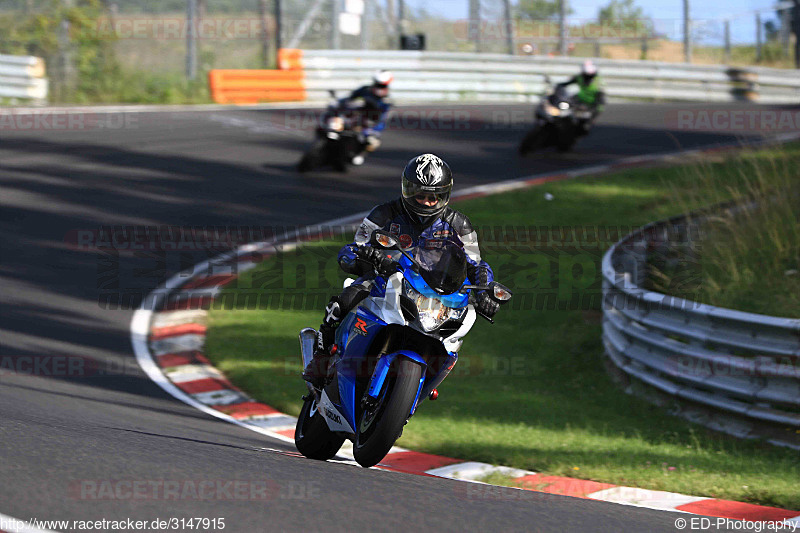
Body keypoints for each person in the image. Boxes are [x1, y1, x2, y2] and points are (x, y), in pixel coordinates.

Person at [302, 153, 499, 387]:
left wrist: (485, 290)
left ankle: (421, 384)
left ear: (444, 195)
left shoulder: (459, 224)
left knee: (451, 333)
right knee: (344, 301)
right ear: (407, 189)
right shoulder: (384, 213)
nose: (426, 202)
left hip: (433, 291)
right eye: (420, 195)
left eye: (433, 197)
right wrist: (361, 256)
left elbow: (476, 264)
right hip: (384, 280)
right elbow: (355, 246)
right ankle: (321, 357)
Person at [338, 70, 393, 166]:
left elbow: (382, 120)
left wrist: (373, 130)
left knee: (373, 142)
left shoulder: (386, 101)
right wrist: (340, 103)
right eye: (377, 84)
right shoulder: (364, 90)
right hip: (352, 116)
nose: (379, 88)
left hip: (367, 124)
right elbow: (349, 98)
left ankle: (360, 154)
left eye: (382, 86)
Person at [555, 60, 606, 133]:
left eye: (589, 76)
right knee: (565, 103)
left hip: (591, 102)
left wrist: (597, 104)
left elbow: (601, 95)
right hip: (579, 98)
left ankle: (589, 122)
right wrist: (559, 85)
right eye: (586, 75)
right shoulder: (579, 77)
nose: (587, 78)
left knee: (599, 108)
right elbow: (567, 83)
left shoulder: (598, 81)